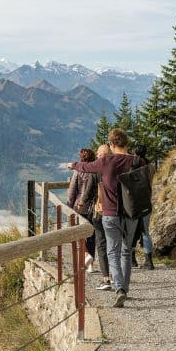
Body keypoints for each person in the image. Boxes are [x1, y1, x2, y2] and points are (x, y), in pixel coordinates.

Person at [68, 129, 143, 308]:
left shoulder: (106, 161)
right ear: (126, 143)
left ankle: (119, 289)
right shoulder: (137, 161)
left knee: (113, 252)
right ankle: (124, 287)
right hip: (131, 214)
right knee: (126, 251)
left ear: (111, 145)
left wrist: (73, 165)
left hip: (110, 213)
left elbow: (86, 167)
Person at [67, 148, 98, 271]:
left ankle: (86, 255)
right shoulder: (95, 170)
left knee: (78, 233)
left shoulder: (78, 171)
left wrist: (69, 206)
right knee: (91, 234)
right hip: (93, 206)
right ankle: (90, 264)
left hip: (79, 206)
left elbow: (72, 190)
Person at [89, 144, 112, 289]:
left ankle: (106, 278)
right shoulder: (117, 170)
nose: (97, 157)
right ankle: (117, 276)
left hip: (99, 212)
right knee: (115, 244)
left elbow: (89, 192)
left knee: (102, 244)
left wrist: (80, 204)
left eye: (98, 155)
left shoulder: (96, 172)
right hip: (115, 212)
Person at [131, 145, 155, 270]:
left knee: (132, 232)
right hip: (146, 201)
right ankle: (148, 261)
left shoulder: (133, 168)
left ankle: (132, 259)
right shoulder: (150, 167)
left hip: (134, 203)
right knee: (145, 232)